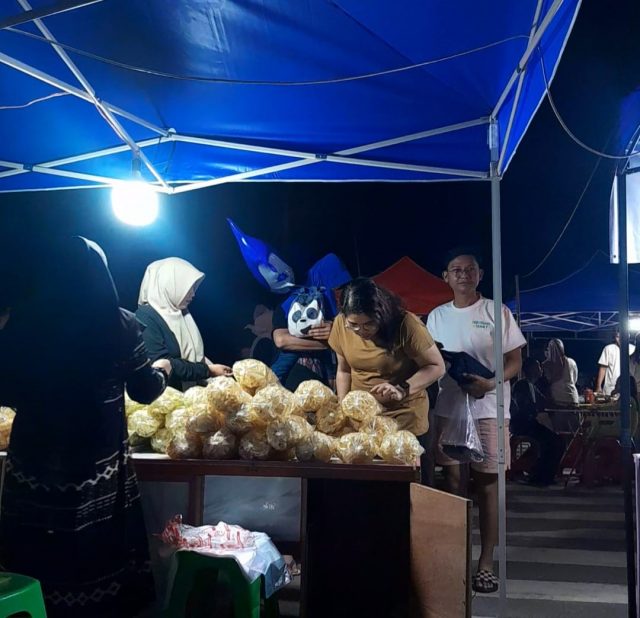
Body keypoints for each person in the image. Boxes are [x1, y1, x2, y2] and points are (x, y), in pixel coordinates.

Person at [0, 237, 168, 617]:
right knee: (94, 552)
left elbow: (5, 388)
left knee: (36, 553)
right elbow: (144, 390)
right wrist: (162, 370)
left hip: (34, 462)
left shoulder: (22, 324)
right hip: (95, 464)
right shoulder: (120, 324)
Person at [426, 248, 525, 594]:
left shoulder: (497, 312)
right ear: (446, 277)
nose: (463, 275)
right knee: (453, 482)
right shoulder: (436, 316)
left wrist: (490, 383)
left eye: (470, 269)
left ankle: (485, 562)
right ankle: (457, 556)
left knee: (488, 484)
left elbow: (515, 361)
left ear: (480, 275)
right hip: (450, 407)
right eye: (456, 270)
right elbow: (431, 360)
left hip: (490, 409)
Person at [328, 277, 445, 437]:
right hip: (362, 418)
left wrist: (402, 388)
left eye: (369, 324)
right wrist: (343, 407)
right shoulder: (341, 323)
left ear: (381, 314)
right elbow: (344, 370)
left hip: (402, 418)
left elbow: (436, 366)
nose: (361, 331)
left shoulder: (406, 324)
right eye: (353, 325)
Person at [136, 257, 231, 391]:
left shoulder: (181, 314)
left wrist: (216, 375)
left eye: (193, 288)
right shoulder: (145, 318)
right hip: (168, 399)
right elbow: (163, 364)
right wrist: (208, 370)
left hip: (192, 395)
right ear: (169, 284)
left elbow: (195, 355)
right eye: (188, 288)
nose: (193, 294)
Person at [272, 254, 351, 390]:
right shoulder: (289, 302)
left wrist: (336, 332)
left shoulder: (346, 298)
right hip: (303, 368)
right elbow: (281, 340)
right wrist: (329, 343)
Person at [512, 358, 564, 486]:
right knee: (555, 442)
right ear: (530, 369)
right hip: (523, 425)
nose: (541, 369)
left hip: (530, 424)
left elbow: (544, 401)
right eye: (538, 366)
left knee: (554, 440)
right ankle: (542, 477)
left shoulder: (531, 386)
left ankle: (542, 475)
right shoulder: (522, 385)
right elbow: (525, 407)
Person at [596, 331, 635, 396]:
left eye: (623, 336)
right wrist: (598, 386)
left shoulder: (633, 349)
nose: (620, 339)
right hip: (610, 388)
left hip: (629, 389)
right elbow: (603, 368)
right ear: (615, 337)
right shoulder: (608, 348)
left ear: (628, 336)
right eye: (618, 337)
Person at [542, 338, 579, 405]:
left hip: (556, 399)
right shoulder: (571, 362)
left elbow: (546, 382)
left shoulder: (546, 365)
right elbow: (574, 380)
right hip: (573, 397)